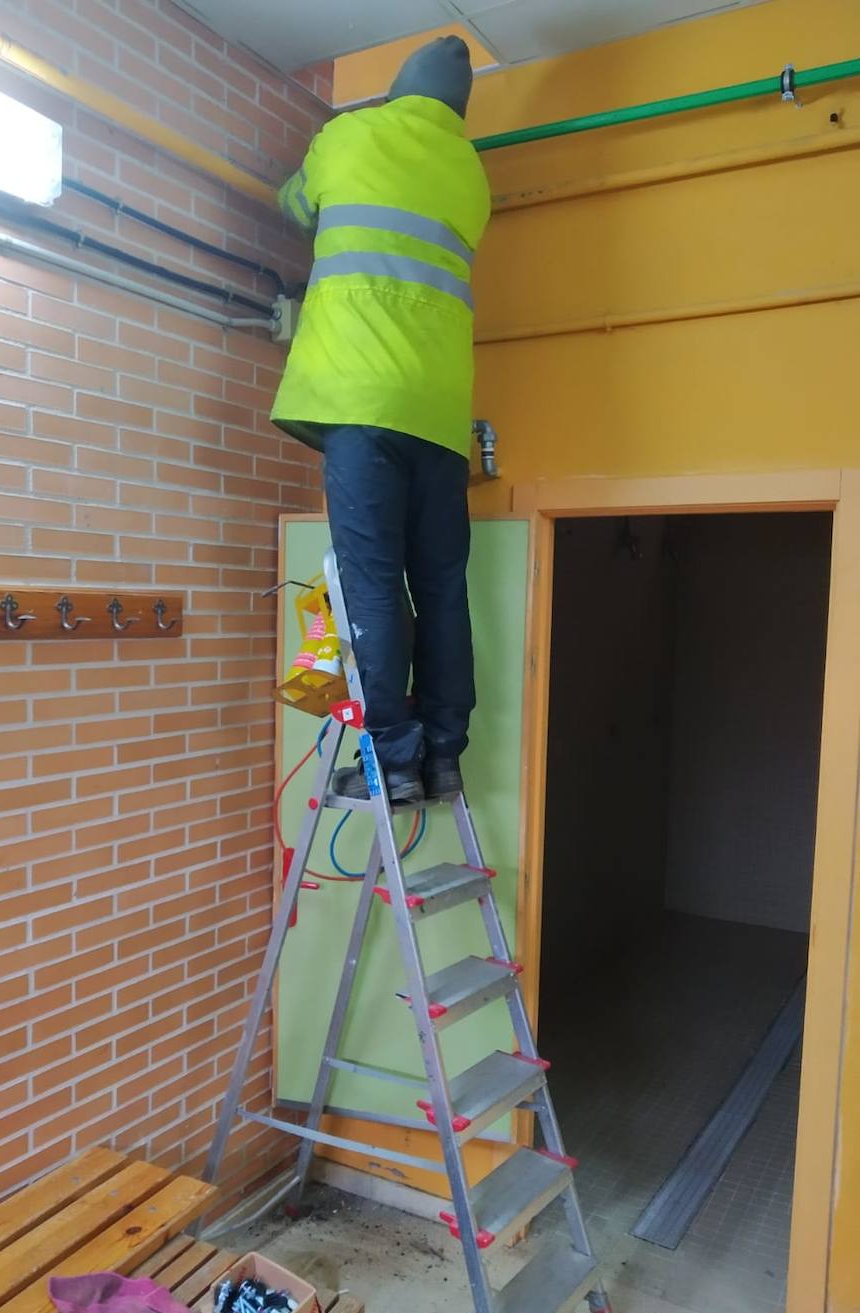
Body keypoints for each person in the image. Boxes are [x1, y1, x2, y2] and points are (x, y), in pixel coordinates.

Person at [271, 36, 491, 804]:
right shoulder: (470, 173)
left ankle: (389, 760)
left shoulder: (350, 136)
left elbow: (295, 202)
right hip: (438, 415)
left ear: (396, 90)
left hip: (360, 400)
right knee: (440, 587)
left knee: (371, 584)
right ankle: (441, 754)